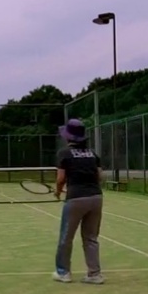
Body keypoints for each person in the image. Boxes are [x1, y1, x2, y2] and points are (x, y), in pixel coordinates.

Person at [53, 119, 105, 285]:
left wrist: (58, 191)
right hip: (96, 197)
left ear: (68, 138)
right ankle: (94, 274)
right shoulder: (93, 154)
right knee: (91, 237)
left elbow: (60, 179)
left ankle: (64, 273)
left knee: (66, 238)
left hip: (75, 198)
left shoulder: (64, 154)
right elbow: (99, 177)